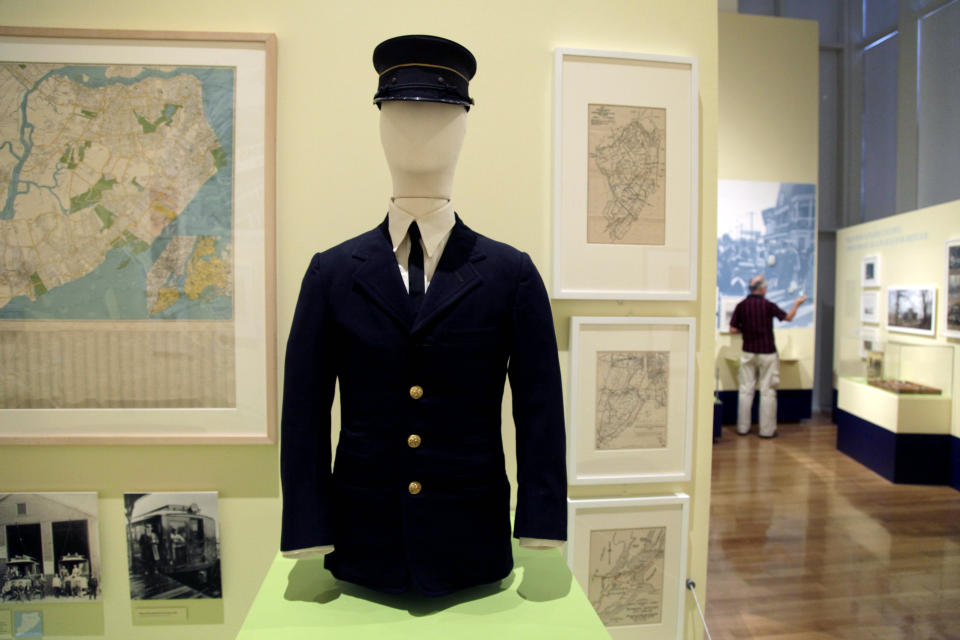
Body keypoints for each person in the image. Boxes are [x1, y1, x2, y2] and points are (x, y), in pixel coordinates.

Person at [729, 275, 807, 437]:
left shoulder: (742, 306)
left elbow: (733, 329)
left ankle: (743, 428)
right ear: (763, 288)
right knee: (768, 392)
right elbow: (788, 317)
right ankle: (767, 430)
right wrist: (797, 304)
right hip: (767, 352)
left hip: (748, 351)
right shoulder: (768, 305)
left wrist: (747, 331)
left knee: (745, 390)